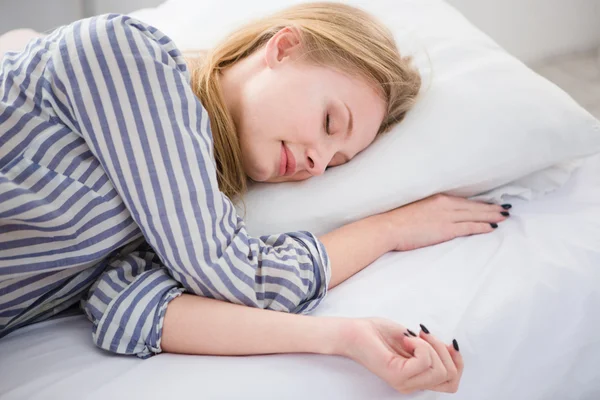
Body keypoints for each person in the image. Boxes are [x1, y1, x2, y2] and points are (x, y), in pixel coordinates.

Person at [0, 2, 512, 395]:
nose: (318, 161)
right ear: (284, 47)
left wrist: (343, 338)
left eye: (336, 162)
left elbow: (130, 308)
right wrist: (388, 229)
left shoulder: (177, 209)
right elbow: (238, 274)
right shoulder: (130, 56)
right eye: (330, 123)